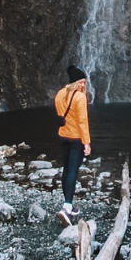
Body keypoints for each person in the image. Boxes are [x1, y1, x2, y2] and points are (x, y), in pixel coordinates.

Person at [55, 65, 91, 227]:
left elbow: (60, 115)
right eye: (81, 82)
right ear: (74, 82)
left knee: (66, 169)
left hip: (63, 136)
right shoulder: (80, 97)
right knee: (73, 171)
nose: (83, 85)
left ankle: (68, 203)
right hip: (76, 138)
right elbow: (83, 121)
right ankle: (67, 207)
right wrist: (87, 143)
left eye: (84, 82)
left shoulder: (59, 94)